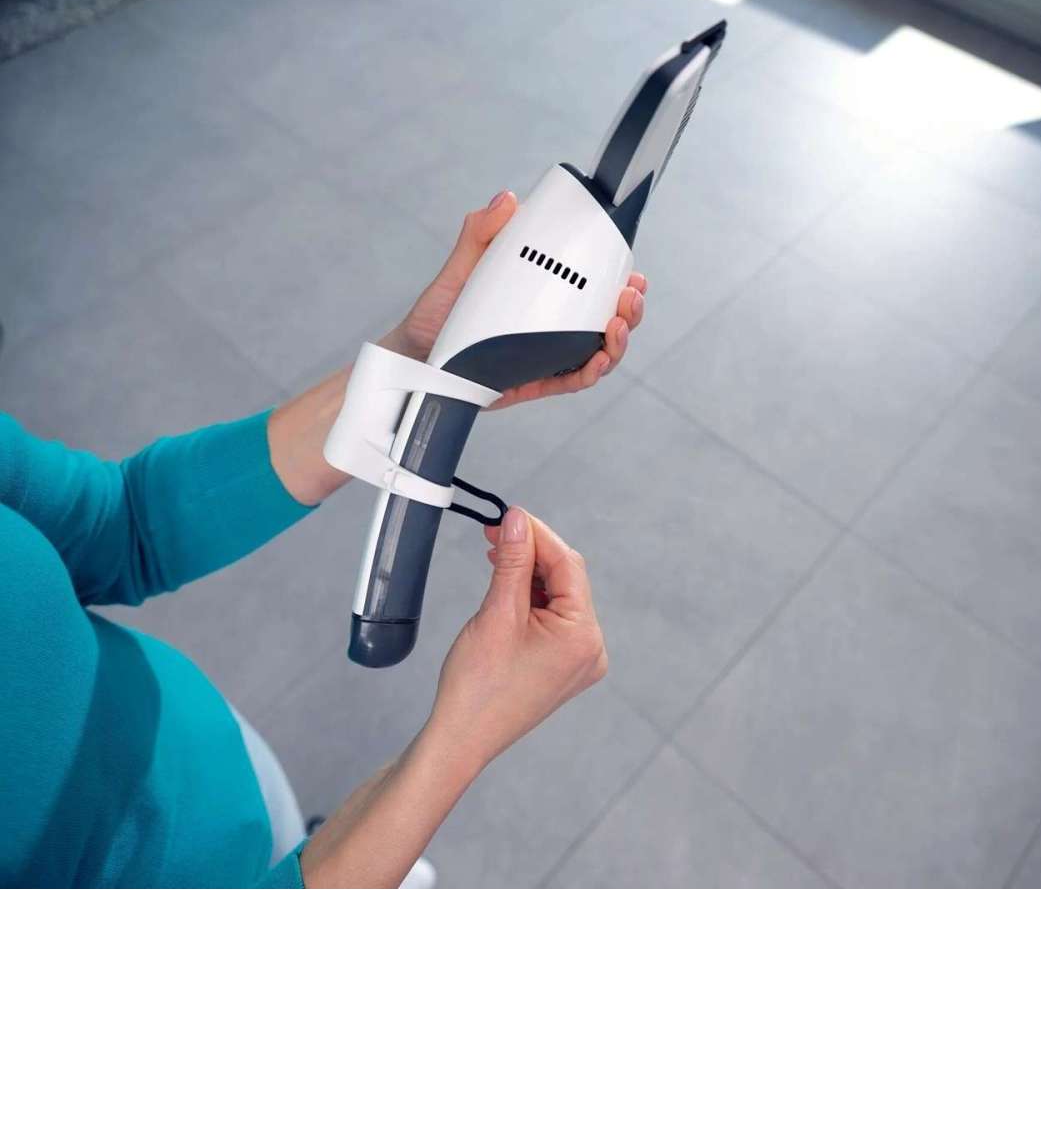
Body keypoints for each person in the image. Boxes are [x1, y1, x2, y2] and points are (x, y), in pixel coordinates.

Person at [0, 190, 647, 888]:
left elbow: (121, 524)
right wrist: (459, 742)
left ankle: (328, 841)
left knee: (280, 825)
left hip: (218, 762)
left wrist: (417, 362)